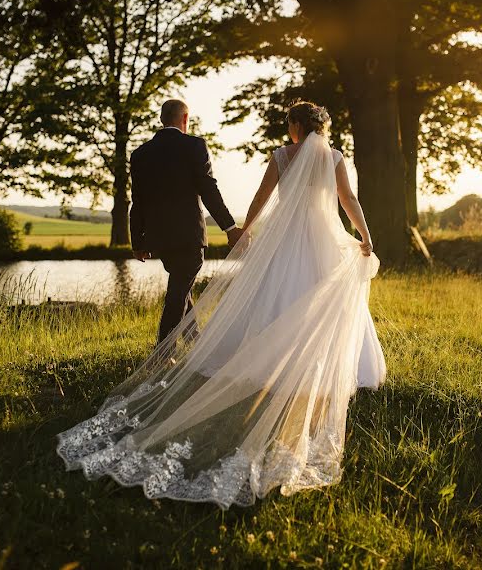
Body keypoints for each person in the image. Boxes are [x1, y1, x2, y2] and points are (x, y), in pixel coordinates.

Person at [57, 100, 387, 510]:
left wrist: (244, 231)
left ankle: (245, 355)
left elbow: (261, 200)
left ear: (297, 126)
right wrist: (366, 236)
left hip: (281, 243)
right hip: (322, 240)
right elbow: (349, 201)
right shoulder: (334, 157)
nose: (288, 130)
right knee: (316, 296)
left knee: (270, 295)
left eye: (289, 124)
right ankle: (316, 362)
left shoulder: (281, 156)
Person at [129, 99, 244, 343]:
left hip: (159, 238)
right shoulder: (194, 146)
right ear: (185, 119)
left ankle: (195, 341)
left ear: (162, 120)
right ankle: (163, 352)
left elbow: (137, 200)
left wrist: (137, 240)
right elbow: (208, 189)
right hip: (189, 235)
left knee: (182, 286)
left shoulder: (140, 154)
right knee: (178, 291)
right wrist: (230, 227)